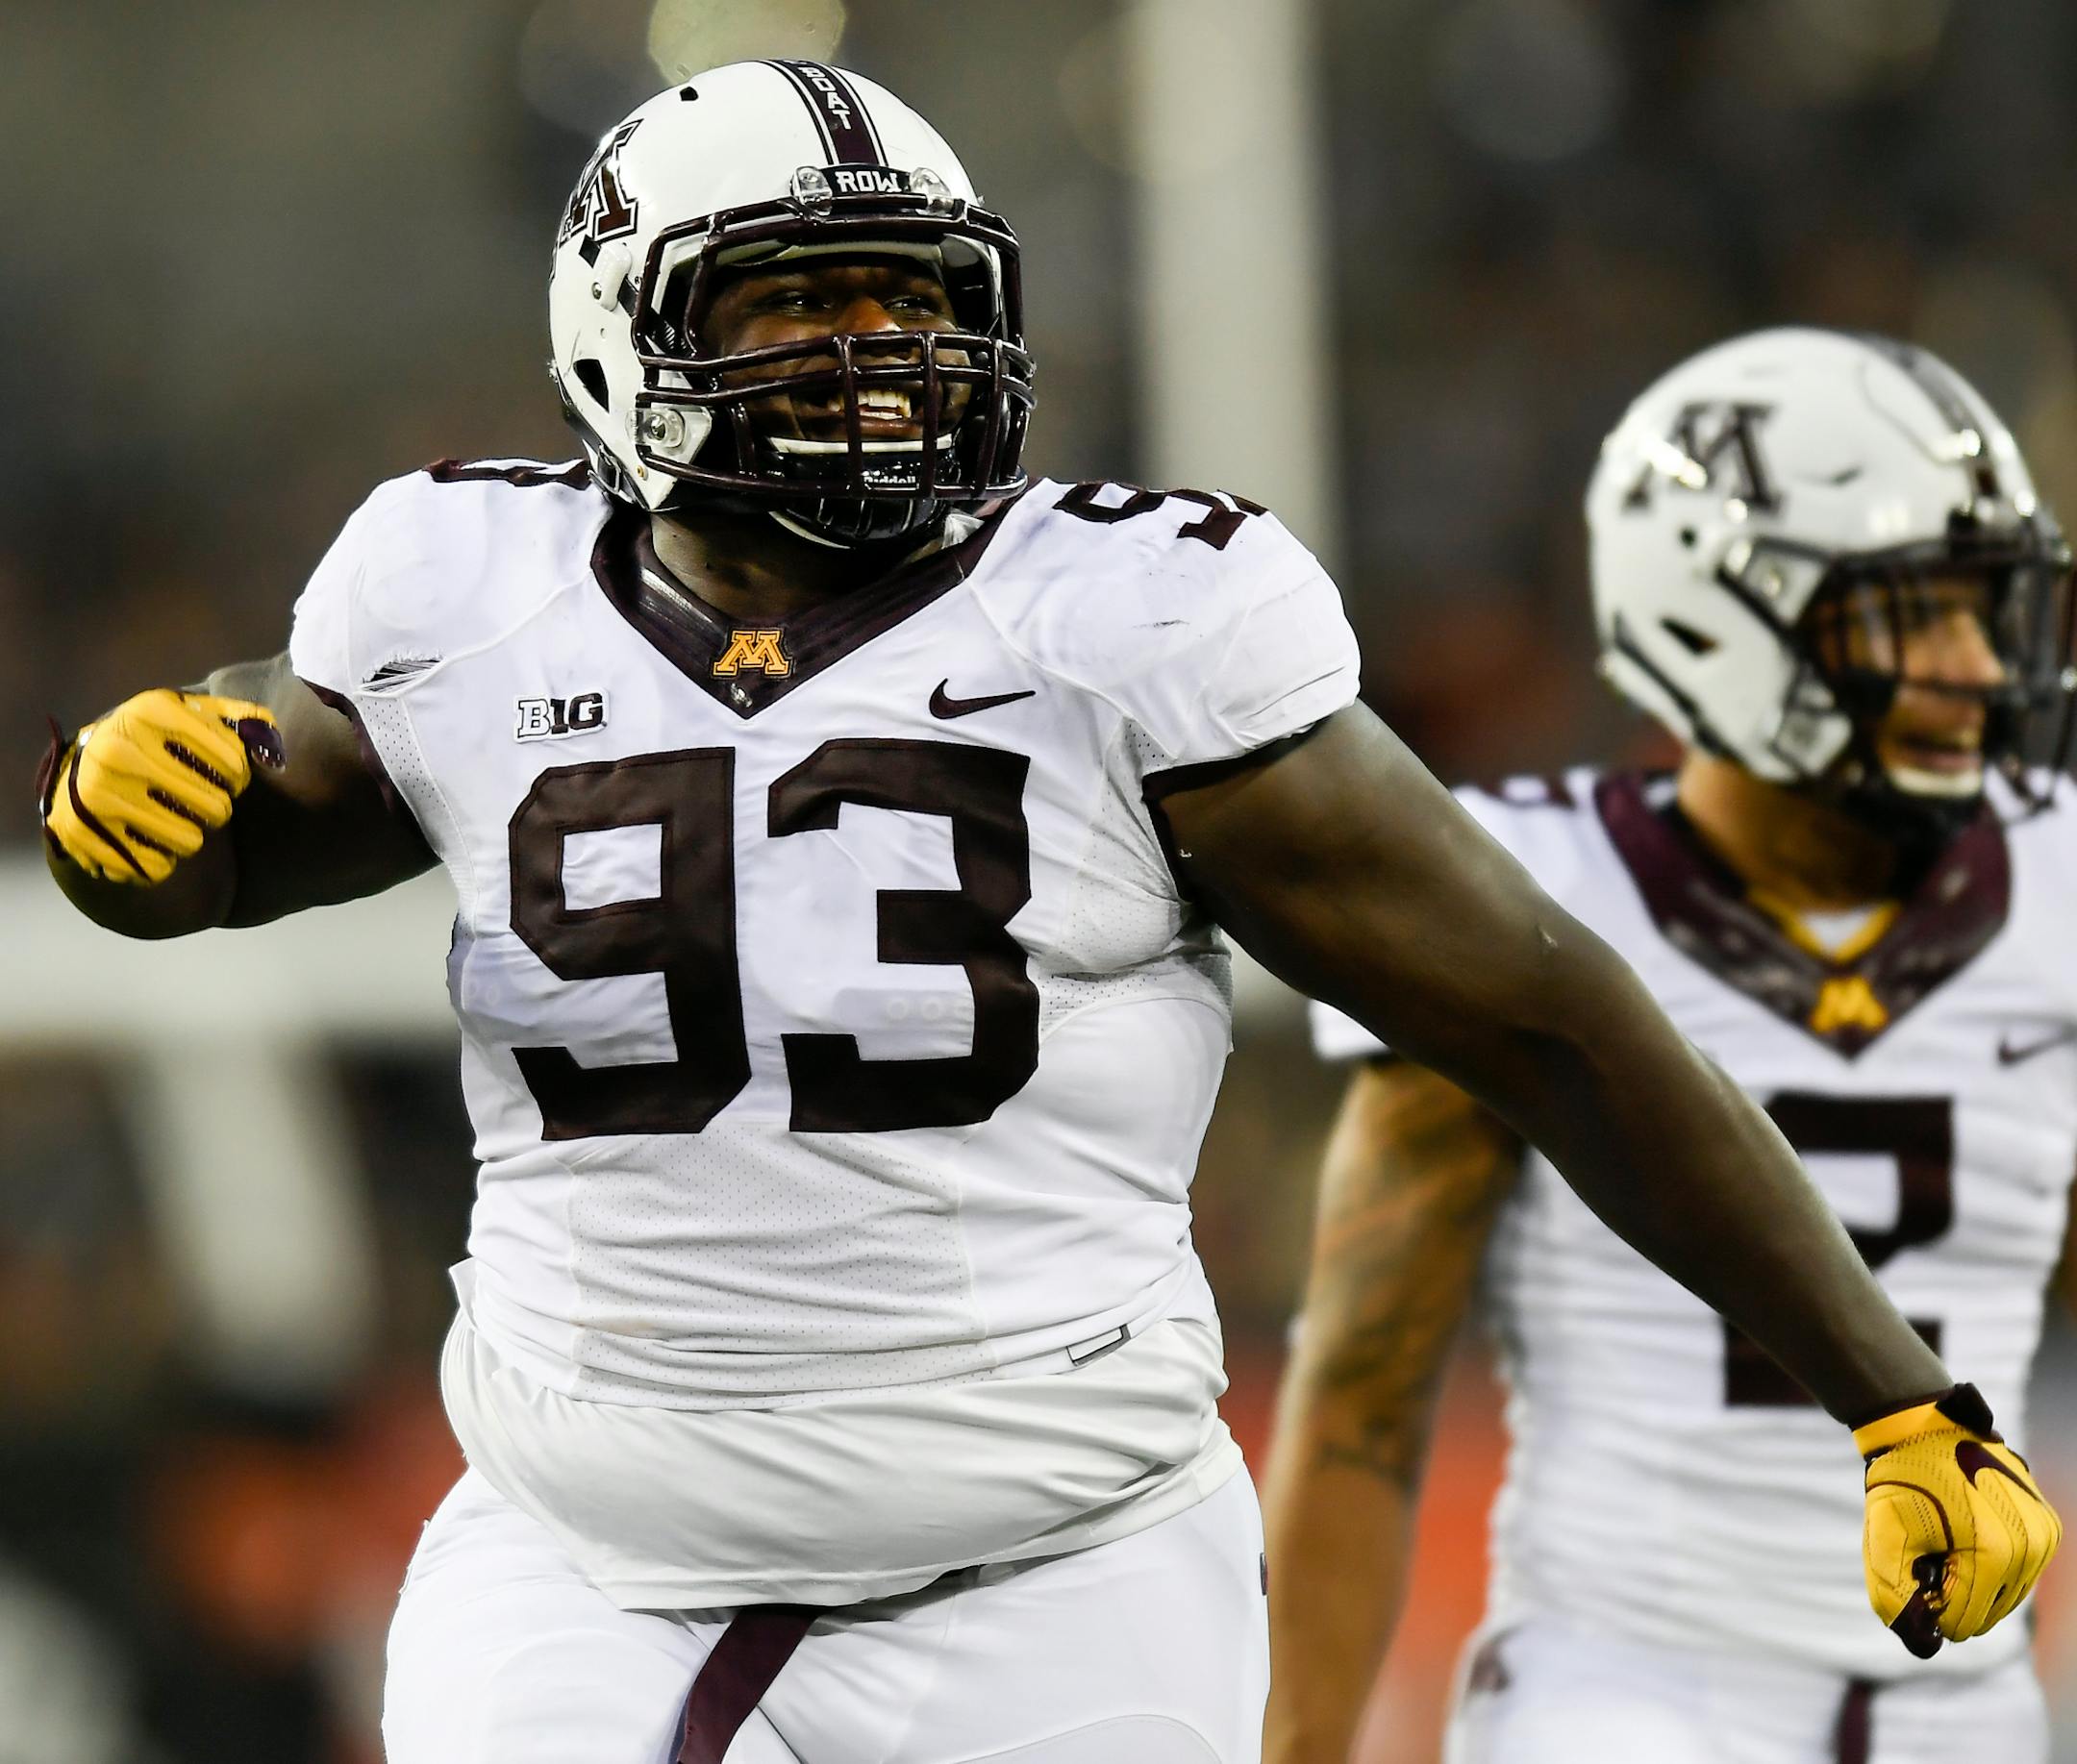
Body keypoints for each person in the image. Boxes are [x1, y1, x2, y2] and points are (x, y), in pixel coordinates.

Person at [36, 59, 2053, 1760]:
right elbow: (243, 818)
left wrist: (1891, 1391)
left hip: (1052, 1577)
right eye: (796, 306)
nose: (879, 356)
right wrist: (144, 794)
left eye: (909, 301)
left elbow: (1542, 1014)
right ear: (622, 334)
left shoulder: (1121, 621)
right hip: (585, 1553)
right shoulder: (452, 582)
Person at [1264, 327, 2077, 1764]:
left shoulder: (2055, 881)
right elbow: (1361, 1410)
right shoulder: (1527, 890)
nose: (1972, 666)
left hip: (1974, 1701)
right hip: (1631, 1693)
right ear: (1724, 618)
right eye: (1912, 617)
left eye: (1986, 611)